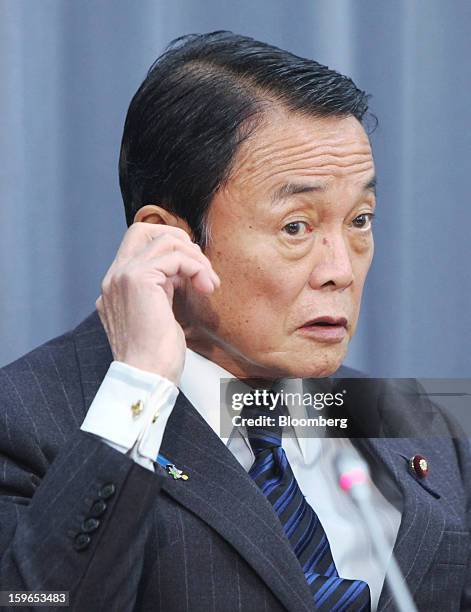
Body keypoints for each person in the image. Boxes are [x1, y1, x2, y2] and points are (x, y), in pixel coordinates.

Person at [0, 31, 469, 612]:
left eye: (360, 220)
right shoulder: (25, 419)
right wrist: (140, 385)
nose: (339, 271)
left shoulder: (413, 419)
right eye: (295, 227)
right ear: (170, 238)